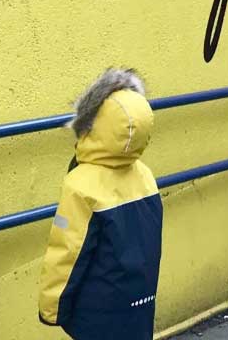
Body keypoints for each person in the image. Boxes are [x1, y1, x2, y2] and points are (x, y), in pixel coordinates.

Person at [37, 67, 163, 339]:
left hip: (97, 312)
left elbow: (67, 251)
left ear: (91, 123)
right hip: (138, 303)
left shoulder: (80, 184)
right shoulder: (145, 176)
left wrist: (52, 308)